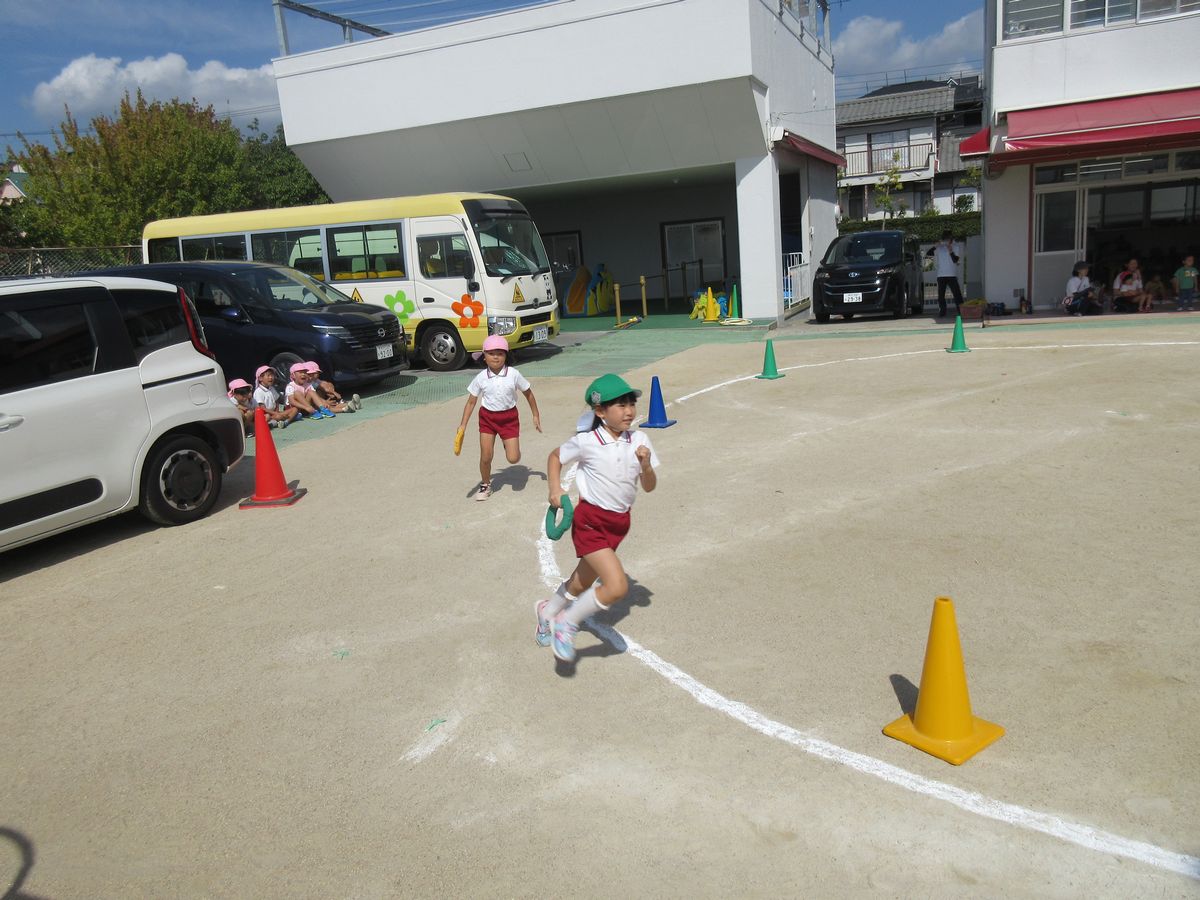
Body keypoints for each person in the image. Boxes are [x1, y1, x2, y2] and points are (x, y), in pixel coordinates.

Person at [538, 374, 659, 664]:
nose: (629, 409)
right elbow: (555, 457)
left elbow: (650, 486)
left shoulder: (640, 440)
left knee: (580, 583)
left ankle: (546, 611)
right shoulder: (587, 441)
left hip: (619, 524)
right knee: (617, 586)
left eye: (631, 402)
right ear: (600, 411)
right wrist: (555, 488)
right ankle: (566, 623)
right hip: (590, 520)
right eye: (620, 404)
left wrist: (645, 464)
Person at [456, 334, 541, 501]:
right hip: (487, 419)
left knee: (513, 458)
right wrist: (462, 425)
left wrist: (535, 414)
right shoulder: (481, 377)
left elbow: (528, 394)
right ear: (484, 356)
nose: (496, 357)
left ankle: (505, 441)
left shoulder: (514, 374)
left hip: (509, 418)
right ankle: (486, 484)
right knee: (486, 456)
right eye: (491, 353)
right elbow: (471, 403)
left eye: (500, 353)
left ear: (506, 356)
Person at [925, 230, 963, 317]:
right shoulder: (939, 248)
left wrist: (951, 251)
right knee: (941, 296)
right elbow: (928, 254)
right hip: (941, 275)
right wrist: (935, 246)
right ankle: (942, 312)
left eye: (948, 239)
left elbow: (955, 260)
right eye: (945, 239)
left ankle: (961, 311)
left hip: (952, 274)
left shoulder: (955, 246)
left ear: (951, 238)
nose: (947, 241)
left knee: (957, 294)